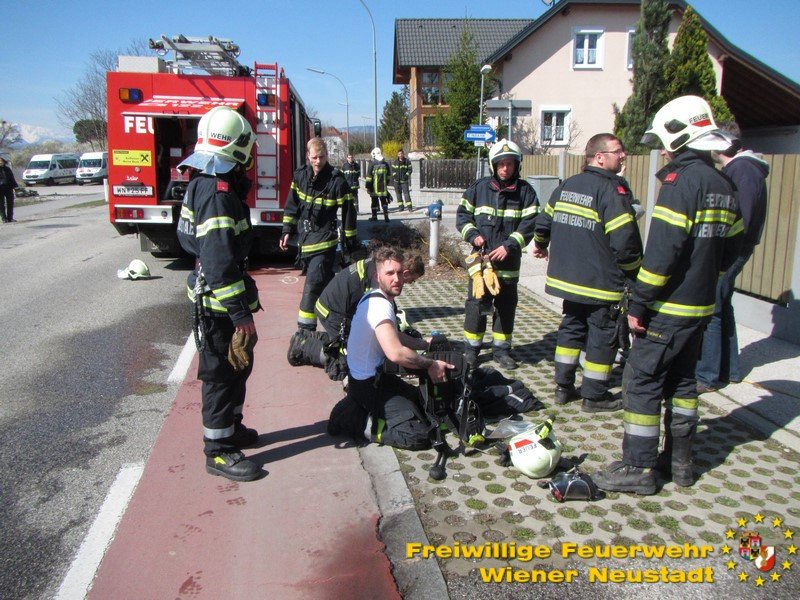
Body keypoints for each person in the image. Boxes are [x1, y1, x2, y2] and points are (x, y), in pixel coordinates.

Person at [593, 96, 744, 496]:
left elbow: (662, 254)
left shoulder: (681, 184)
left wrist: (640, 302)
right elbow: (735, 246)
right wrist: (707, 277)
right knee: (683, 382)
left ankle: (638, 467)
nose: (661, 150)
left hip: (668, 308)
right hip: (700, 307)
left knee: (641, 380)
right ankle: (680, 463)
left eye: (663, 142)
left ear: (680, 136)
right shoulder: (724, 184)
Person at [175, 106, 263, 482]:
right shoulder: (217, 193)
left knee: (238, 366)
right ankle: (219, 451)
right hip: (218, 306)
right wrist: (240, 314)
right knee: (220, 377)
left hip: (218, 300)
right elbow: (218, 263)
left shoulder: (205, 183)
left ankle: (232, 427)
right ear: (236, 147)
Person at [533, 133, 643, 412]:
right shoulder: (611, 191)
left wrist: (541, 246)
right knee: (602, 337)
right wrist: (635, 275)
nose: (623, 156)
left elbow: (543, 222)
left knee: (571, 330)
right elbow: (625, 243)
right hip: (600, 283)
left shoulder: (567, 185)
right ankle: (594, 396)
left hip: (568, 281)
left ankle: (563, 387)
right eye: (618, 151)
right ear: (600, 157)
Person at [327, 246, 454, 448]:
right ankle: (359, 422)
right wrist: (431, 364)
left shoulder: (376, 297)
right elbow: (396, 354)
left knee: (421, 403)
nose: (396, 279)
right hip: (368, 386)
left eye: (399, 273)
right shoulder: (380, 306)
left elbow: (394, 335)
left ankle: (353, 406)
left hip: (376, 378)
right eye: (389, 273)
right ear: (377, 276)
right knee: (419, 435)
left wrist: (423, 343)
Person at [696, 122, 769, 393]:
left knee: (712, 308)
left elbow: (742, 219)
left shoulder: (743, 170)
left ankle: (706, 375)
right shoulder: (740, 169)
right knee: (722, 305)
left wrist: (720, 246)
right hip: (733, 248)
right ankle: (729, 370)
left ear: (725, 143)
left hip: (732, 249)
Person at [456, 138, 539, 370]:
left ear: (516, 165)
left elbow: (530, 223)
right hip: (482, 263)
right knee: (476, 305)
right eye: (501, 164)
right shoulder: (478, 188)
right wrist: (473, 236)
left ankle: (502, 350)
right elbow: (462, 216)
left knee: (506, 307)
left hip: (509, 263)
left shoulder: (526, 192)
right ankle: (471, 350)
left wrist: (509, 245)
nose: (505, 168)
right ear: (494, 165)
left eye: (509, 164)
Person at [280, 137, 357, 331]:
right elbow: (292, 206)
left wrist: (350, 242)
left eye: (321, 157)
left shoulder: (337, 180)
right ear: (308, 156)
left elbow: (349, 212)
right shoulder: (300, 176)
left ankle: (305, 331)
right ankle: (341, 325)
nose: (318, 161)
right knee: (328, 286)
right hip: (305, 241)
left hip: (325, 242)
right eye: (314, 157)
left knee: (312, 285)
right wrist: (287, 230)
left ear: (327, 156)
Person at [365, 147, 392, 222]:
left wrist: (368, 187)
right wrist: (385, 184)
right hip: (383, 188)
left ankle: (374, 217)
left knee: (374, 202)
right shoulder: (385, 164)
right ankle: (386, 217)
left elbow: (369, 177)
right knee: (384, 202)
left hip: (374, 188)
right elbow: (388, 176)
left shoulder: (372, 164)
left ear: (374, 155)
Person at [0, 157, 19, 223]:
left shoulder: (7, 169)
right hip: (0, 189)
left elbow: (12, 178)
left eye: (2, 161)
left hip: (8, 188)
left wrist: (15, 187)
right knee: (1, 204)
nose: (1, 162)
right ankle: (4, 218)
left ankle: (10, 218)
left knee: (10, 203)